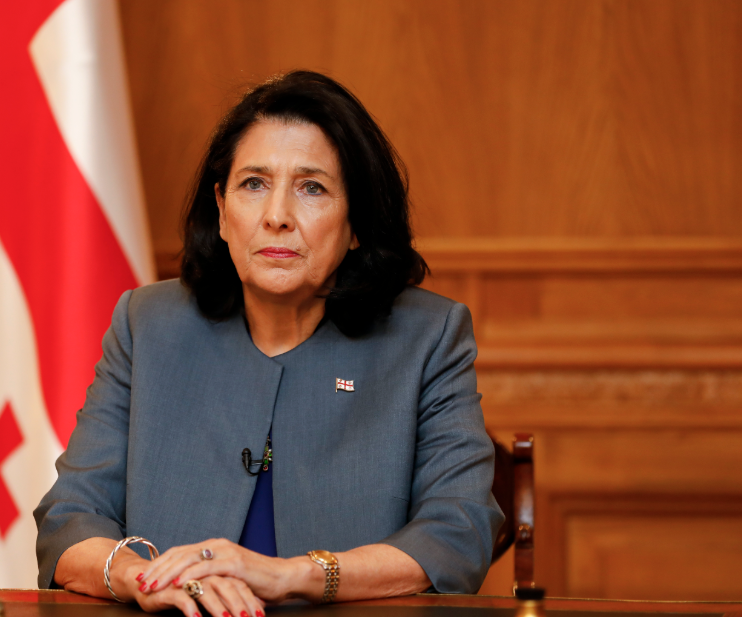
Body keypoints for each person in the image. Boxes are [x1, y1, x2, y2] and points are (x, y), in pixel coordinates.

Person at [34, 70, 503, 616]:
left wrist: (291, 575)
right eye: (254, 184)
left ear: (357, 222)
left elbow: (459, 532)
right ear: (222, 209)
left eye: (312, 188)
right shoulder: (148, 325)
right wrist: (147, 579)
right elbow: (69, 521)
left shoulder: (428, 337)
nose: (277, 216)